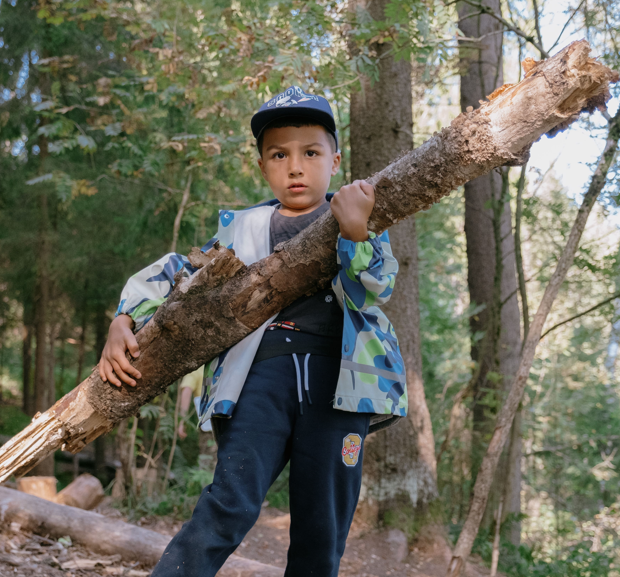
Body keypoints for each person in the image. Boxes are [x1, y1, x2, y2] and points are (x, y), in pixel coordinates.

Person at [99, 86, 406, 577]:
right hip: (258, 380)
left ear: (335, 158)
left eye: (311, 152)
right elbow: (182, 270)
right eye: (279, 155)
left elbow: (375, 287)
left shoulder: (358, 216)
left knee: (322, 526)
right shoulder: (241, 229)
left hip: (341, 387)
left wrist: (355, 232)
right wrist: (124, 317)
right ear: (263, 166)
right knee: (229, 503)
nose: (296, 167)